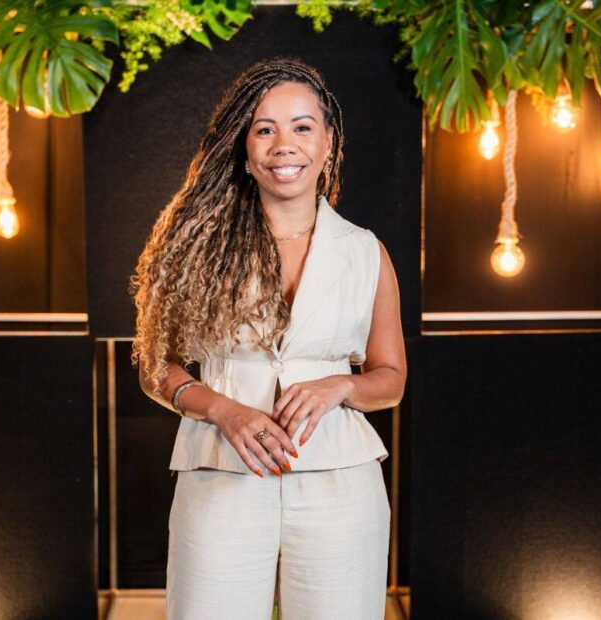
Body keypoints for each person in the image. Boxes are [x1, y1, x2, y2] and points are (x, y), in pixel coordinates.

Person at [129, 56, 407, 620]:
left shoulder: (366, 252)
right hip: (220, 474)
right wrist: (223, 410)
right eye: (265, 129)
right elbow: (157, 367)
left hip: (341, 485)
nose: (285, 145)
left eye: (302, 127)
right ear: (244, 148)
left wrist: (338, 387)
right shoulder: (195, 246)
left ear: (328, 143)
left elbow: (391, 379)